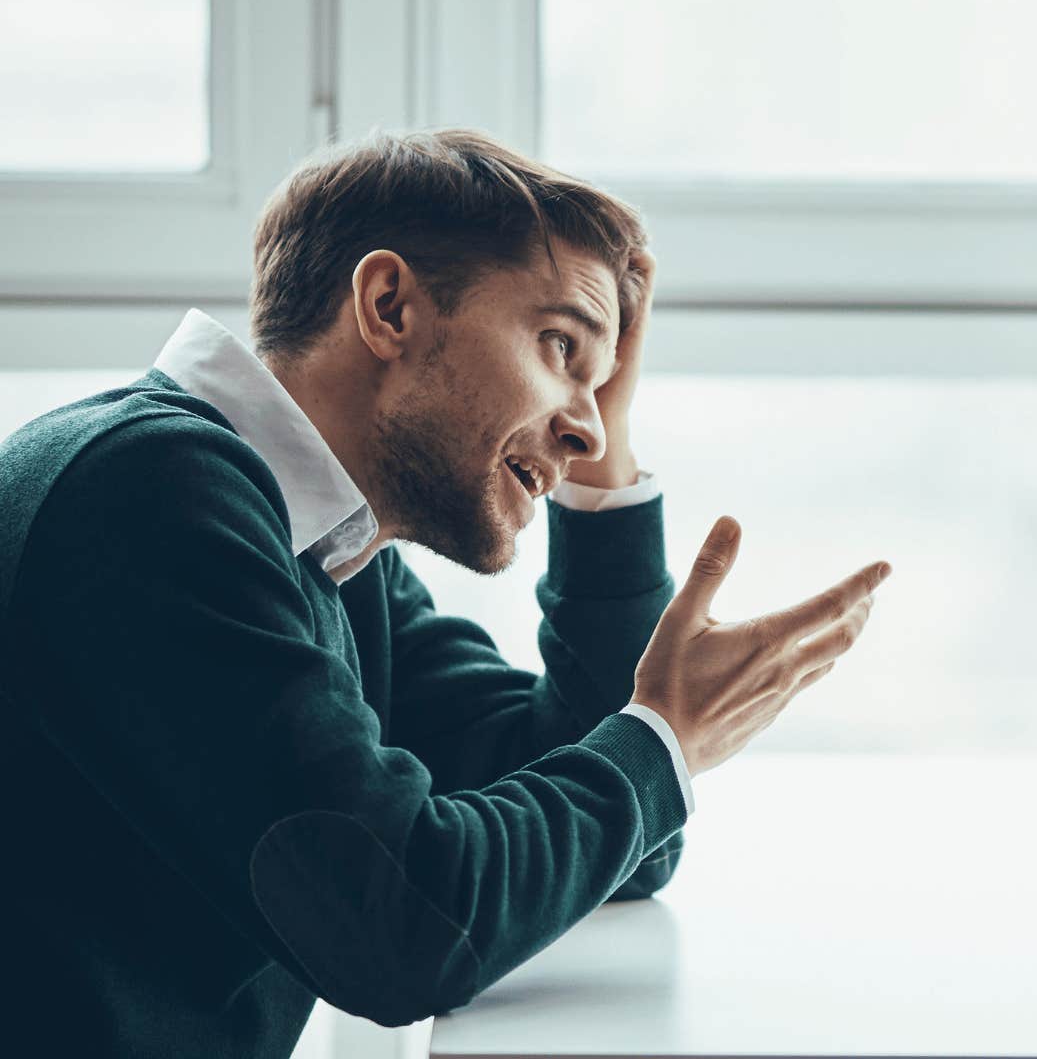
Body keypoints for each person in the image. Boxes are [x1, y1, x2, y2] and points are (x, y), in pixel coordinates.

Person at [1, 129, 890, 1058]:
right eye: (560, 345)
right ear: (389, 308)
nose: (586, 425)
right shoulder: (151, 498)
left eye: (603, 382)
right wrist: (663, 738)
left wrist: (603, 462)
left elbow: (610, 837)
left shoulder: (324, 552)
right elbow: (404, 926)